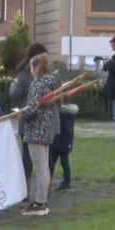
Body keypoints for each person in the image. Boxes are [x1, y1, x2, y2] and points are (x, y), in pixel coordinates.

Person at [9, 43, 55, 199]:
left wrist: (12, 86)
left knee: (28, 158)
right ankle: (44, 193)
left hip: (29, 122)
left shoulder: (25, 76)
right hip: (46, 124)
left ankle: (26, 191)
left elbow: (16, 95)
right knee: (45, 162)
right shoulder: (51, 79)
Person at [19, 53, 59, 216]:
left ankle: (40, 203)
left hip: (36, 128)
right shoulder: (52, 83)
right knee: (45, 167)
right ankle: (42, 201)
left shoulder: (37, 85)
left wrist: (22, 115)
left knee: (40, 167)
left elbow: (33, 108)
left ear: (35, 67)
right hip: (47, 127)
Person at [49, 103, 79, 191]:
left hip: (57, 139)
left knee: (51, 162)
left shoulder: (58, 111)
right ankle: (66, 181)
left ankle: (48, 181)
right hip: (67, 139)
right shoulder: (71, 112)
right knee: (64, 161)